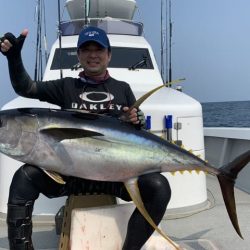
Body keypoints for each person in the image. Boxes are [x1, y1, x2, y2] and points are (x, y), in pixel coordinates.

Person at [0, 26, 171, 250]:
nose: (93, 55)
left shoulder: (123, 88)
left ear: (108, 54)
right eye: (86, 49)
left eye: (98, 49)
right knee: (24, 178)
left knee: (159, 186)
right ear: (79, 55)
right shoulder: (66, 86)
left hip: (115, 178)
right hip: (71, 176)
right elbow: (27, 88)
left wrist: (137, 119)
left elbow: (133, 130)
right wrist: (14, 58)